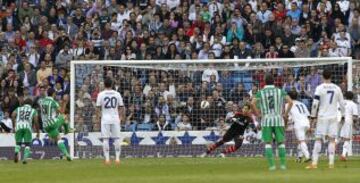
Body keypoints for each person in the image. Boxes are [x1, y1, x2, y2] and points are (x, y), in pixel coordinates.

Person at [251, 73, 293, 170]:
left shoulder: (260, 92)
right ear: (273, 81)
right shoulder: (280, 91)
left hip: (266, 120)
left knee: (268, 143)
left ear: (264, 82)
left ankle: (272, 166)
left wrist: (258, 115)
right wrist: (285, 114)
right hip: (278, 119)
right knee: (281, 142)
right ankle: (283, 165)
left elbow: (252, 104)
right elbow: (290, 102)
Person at [307, 69, 345, 169]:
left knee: (318, 139)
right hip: (333, 117)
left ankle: (314, 163)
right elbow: (342, 103)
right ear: (331, 76)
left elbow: (315, 103)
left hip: (322, 117)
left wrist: (312, 116)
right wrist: (343, 115)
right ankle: (331, 163)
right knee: (332, 140)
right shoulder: (337, 88)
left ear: (322, 77)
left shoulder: (319, 88)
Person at [96, 77, 125, 165]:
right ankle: (117, 159)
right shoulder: (117, 94)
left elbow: (97, 108)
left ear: (104, 84)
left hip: (105, 118)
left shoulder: (101, 94)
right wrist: (120, 117)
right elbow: (121, 107)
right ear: (112, 84)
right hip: (115, 118)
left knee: (105, 139)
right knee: (116, 139)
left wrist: (100, 117)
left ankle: (107, 159)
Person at [38, 90, 72, 161]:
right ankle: (67, 130)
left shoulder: (42, 101)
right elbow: (62, 112)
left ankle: (66, 154)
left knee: (58, 139)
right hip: (52, 123)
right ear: (53, 94)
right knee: (64, 116)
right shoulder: (53, 102)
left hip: (45, 126)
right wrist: (65, 103)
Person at [285, 90, 311, 163]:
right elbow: (308, 115)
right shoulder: (302, 104)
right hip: (306, 122)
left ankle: (308, 157)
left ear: (289, 97)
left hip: (299, 124)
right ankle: (299, 157)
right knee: (301, 141)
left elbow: (287, 117)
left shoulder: (287, 104)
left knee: (301, 141)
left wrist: (285, 125)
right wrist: (310, 125)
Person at [12, 98, 39, 164]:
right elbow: (36, 121)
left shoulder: (18, 109)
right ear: (31, 104)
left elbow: (13, 115)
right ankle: (24, 158)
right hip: (27, 127)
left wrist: (14, 126)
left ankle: (16, 152)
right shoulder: (33, 110)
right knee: (27, 144)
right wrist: (38, 131)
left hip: (18, 127)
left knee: (18, 143)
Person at [339, 91, 358, 161]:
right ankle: (343, 155)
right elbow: (355, 116)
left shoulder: (341, 102)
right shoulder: (353, 104)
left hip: (339, 120)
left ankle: (331, 151)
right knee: (347, 139)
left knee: (338, 137)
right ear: (352, 97)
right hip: (348, 121)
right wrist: (355, 125)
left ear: (345, 96)